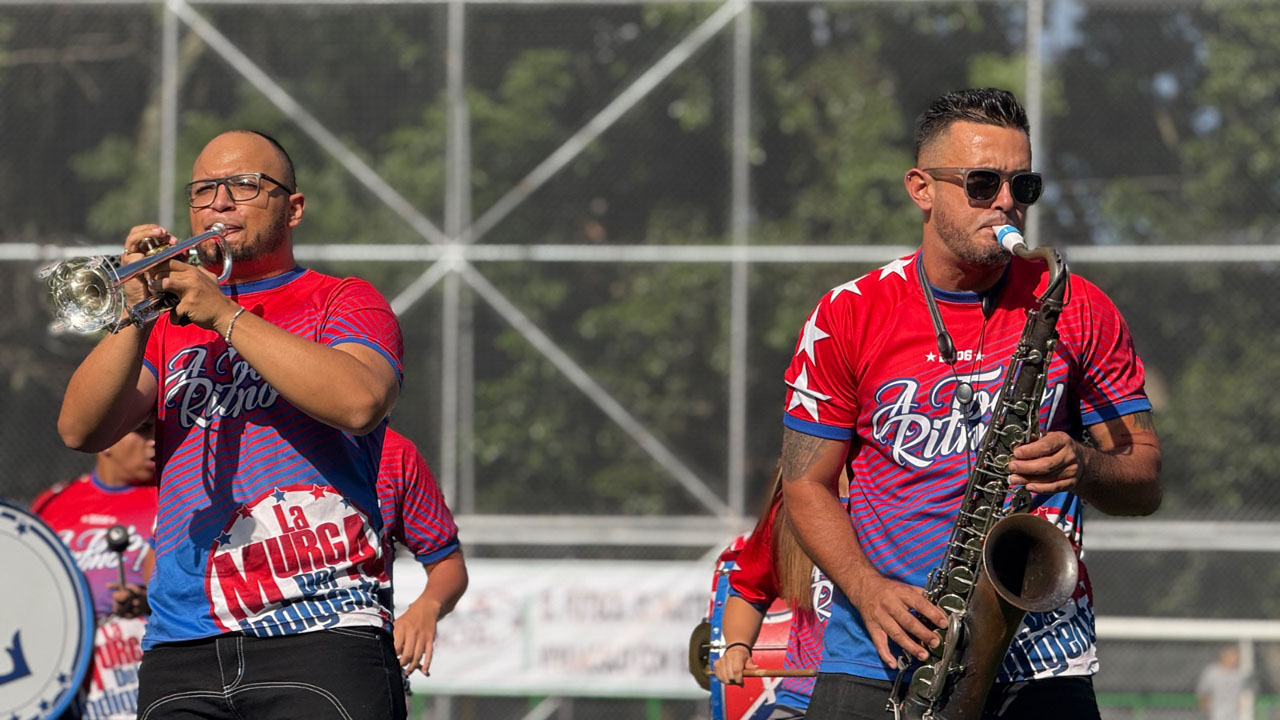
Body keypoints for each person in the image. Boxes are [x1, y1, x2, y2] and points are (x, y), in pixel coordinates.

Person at [777, 88, 1162, 720]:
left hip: (1040, 656)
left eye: (1023, 185)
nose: (1007, 203)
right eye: (982, 183)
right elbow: (806, 485)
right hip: (881, 649)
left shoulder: (1076, 305)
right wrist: (869, 591)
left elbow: (1145, 478)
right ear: (921, 188)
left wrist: (1086, 466)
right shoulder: (847, 314)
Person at [57, 129, 407, 719]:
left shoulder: (342, 299)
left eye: (244, 185)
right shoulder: (169, 326)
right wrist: (135, 309)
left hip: (322, 630)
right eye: (203, 191)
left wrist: (225, 313)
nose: (220, 203)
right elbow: (80, 430)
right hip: (181, 642)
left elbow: (359, 401)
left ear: (292, 208)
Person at [33, 418, 158, 720]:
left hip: (139, 680)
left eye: (158, 430)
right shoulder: (52, 503)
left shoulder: (170, 499)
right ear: (107, 440)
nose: (154, 440)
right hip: (62, 683)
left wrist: (146, 601)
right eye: (142, 430)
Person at [712, 474, 834, 719]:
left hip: (891, 695)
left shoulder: (906, 508)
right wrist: (737, 647)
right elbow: (748, 591)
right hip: (803, 700)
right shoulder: (788, 512)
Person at [377, 427, 468, 678]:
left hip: (357, 660)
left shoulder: (391, 453)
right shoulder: (258, 445)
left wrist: (427, 605)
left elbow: (447, 561)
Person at [1196, 645, 1250, 720]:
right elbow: (1203, 690)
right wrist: (1205, 706)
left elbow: (1244, 693)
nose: (1234, 658)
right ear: (1223, 656)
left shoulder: (1240, 674)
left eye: (1235, 656)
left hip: (1234, 713)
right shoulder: (1212, 672)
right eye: (1230, 655)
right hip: (1216, 712)